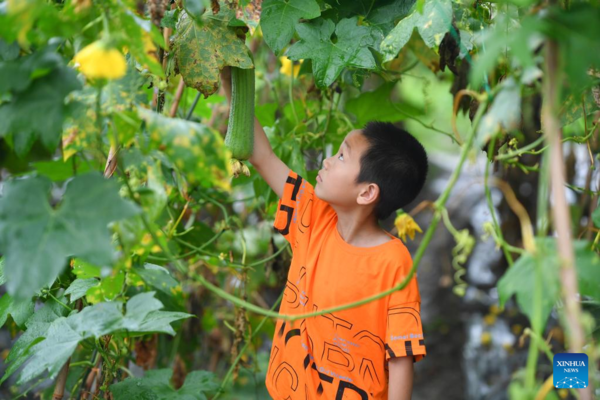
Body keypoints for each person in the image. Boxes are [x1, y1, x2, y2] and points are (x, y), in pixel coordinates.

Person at [220, 66, 429, 400]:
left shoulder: (393, 262)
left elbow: (401, 355)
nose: (328, 162)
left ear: (366, 193)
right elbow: (261, 155)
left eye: (342, 156)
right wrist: (231, 81)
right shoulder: (314, 216)